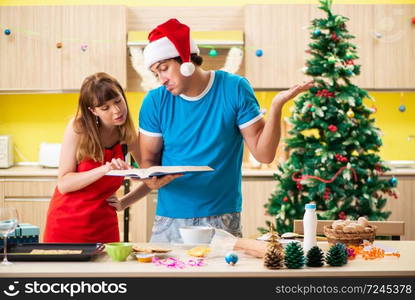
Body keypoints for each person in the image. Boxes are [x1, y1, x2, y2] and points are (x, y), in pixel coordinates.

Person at [139, 19, 312, 243]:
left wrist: (277, 106)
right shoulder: (155, 102)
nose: (161, 80)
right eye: (156, 73)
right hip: (171, 217)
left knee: (223, 278)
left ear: (185, 60)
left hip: (222, 217)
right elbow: (147, 159)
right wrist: (149, 177)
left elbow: (264, 154)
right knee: (168, 279)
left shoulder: (234, 88)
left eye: (164, 69)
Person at [43, 72, 178, 243]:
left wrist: (124, 202)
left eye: (118, 101)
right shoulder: (78, 128)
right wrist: (105, 169)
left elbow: (150, 178)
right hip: (66, 223)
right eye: (105, 108)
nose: (116, 111)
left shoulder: (129, 138)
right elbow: (64, 184)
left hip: (104, 225)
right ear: (93, 111)